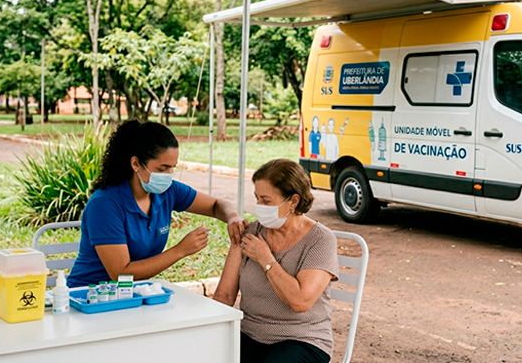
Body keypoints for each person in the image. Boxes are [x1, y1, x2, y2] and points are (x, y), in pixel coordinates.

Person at [67, 119, 246, 288]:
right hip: (88, 296)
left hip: (132, 293)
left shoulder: (167, 192)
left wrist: (233, 217)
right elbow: (121, 274)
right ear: (136, 163)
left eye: (173, 167)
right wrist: (180, 250)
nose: (169, 174)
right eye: (162, 168)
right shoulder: (105, 205)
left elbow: (216, 205)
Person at [213, 159, 339, 363]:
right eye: (257, 198)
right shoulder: (250, 233)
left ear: (293, 201)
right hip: (249, 333)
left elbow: (300, 302)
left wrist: (265, 258)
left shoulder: (320, 240)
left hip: (302, 339)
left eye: (266, 200)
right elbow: (224, 295)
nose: (259, 206)